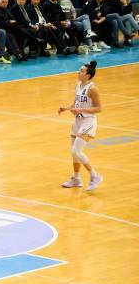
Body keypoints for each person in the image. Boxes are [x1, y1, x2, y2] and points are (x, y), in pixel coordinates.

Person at [58, 60, 103, 191]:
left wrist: (81, 110)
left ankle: (95, 176)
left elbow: (99, 108)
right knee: (74, 152)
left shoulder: (92, 88)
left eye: (82, 71)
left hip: (88, 122)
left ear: (88, 75)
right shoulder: (78, 85)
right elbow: (76, 103)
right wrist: (66, 108)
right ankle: (76, 178)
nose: (79, 72)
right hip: (77, 121)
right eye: (80, 70)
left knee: (76, 150)